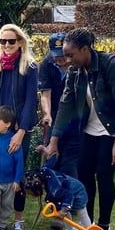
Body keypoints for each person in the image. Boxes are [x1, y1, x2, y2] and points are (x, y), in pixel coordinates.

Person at [45, 28, 115, 230]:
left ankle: (104, 229)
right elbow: (65, 105)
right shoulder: (75, 72)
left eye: (71, 55)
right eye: (65, 55)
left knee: (104, 174)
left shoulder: (112, 66)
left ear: (85, 49)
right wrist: (54, 141)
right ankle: (87, 227)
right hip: (90, 127)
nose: (67, 60)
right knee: (84, 173)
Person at [0, 24, 38, 230]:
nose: (7, 45)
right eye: (3, 41)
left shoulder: (30, 67)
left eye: (11, 41)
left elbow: (31, 100)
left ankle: (18, 218)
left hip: (18, 129)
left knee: (17, 172)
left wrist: (21, 130)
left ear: (20, 42)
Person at [38, 32, 79, 178]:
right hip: (54, 119)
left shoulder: (77, 64)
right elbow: (45, 94)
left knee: (70, 164)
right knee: (52, 159)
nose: (60, 59)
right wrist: (47, 114)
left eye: (63, 54)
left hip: (75, 120)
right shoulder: (46, 65)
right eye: (56, 55)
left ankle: (72, 194)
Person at [23, 160, 91, 230]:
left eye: (34, 194)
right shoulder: (43, 173)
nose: (33, 197)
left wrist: (63, 210)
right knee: (64, 214)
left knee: (81, 212)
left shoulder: (55, 188)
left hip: (77, 192)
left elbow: (68, 195)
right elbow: (50, 162)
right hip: (65, 192)